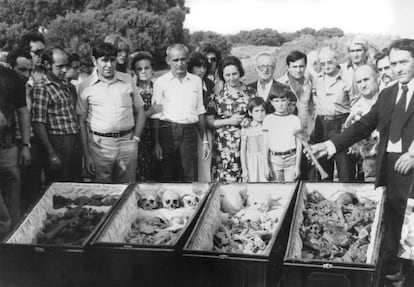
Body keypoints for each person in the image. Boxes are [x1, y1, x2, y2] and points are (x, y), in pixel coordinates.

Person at [310, 39, 414, 285]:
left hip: (412, 168)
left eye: (404, 63)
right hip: (388, 168)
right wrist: (330, 144)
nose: (398, 68)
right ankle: (393, 273)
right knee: (392, 223)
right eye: (394, 64)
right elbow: (364, 125)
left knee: (413, 227)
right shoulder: (389, 94)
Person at [77, 42, 145, 183]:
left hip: (127, 142)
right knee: (102, 192)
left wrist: (136, 139)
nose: (109, 65)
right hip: (100, 146)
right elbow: (82, 122)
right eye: (104, 60)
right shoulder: (85, 86)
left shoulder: (127, 80)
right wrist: (86, 155)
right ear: (94, 61)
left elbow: (140, 110)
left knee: (127, 189)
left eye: (112, 60)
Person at [152, 43, 209, 182]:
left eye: (183, 59)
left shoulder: (196, 81)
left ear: (188, 59)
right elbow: (156, 115)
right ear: (168, 61)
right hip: (167, 131)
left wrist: (205, 140)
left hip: (189, 132)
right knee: (167, 173)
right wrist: (156, 143)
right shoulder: (160, 82)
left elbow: (200, 110)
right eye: (175, 60)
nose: (180, 64)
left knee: (188, 173)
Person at [31, 47, 80, 183]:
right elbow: (38, 123)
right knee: (59, 185)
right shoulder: (42, 88)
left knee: (74, 182)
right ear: (47, 65)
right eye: (60, 66)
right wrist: (51, 153)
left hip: (73, 140)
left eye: (66, 66)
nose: (64, 70)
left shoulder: (65, 84)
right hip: (57, 142)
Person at [207, 55, 256, 183]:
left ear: (240, 72)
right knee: (225, 182)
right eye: (227, 75)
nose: (231, 78)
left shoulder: (251, 93)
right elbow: (209, 121)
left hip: (247, 143)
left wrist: (249, 120)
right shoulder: (217, 95)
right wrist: (229, 121)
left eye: (234, 74)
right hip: (223, 147)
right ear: (223, 75)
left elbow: (258, 114)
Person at [6, 49, 43, 212]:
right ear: (9, 67)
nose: (27, 74)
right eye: (22, 70)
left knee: (33, 192)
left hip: (31, 145)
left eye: (30, 70)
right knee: (15, 195)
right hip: (13, 145)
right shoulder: (5, 89)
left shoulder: (32, 87)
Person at [312, 47, 356, 181]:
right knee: (323, 169)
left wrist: (351, 129)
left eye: (329, 62)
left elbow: (355, 104)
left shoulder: (348, 78)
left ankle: (347, 199)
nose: (326, 66)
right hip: (321, 125)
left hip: (341, 123)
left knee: (345, 168)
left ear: (336, 60)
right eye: (322, 63)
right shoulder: (316, 79)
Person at [0, 63, 31, 232]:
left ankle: (15, 239)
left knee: (13, 194)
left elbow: (23, 112)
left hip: (7, 147)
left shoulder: (11, 76)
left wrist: (26, 145)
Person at [343, 65, 380, 182]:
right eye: (359, 82)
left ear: (377, 79)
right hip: (370, 160)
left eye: (366, 80)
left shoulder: (389, 99)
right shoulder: (356, 107)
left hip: (391, 156)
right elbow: (351, 136)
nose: (363, 85)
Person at [130, 51, 162, 181]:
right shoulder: (132, 91)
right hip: (139, 136)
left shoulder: (158, 88)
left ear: (152, 69)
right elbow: (131, 116)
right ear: (135, 72)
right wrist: (150, 112)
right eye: (139, 69)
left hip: (157, 136)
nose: (143, 71)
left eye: (147, 68)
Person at [262, 89, 302, 182]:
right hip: (274, 160)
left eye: (283, 100)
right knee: (277, 191)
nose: (280, 104)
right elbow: (265, 144)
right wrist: (266, 166)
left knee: (291, 190)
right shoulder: (268, 119)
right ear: (272, 102)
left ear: (288, 100)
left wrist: (297, 166)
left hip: (291, 159)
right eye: (276, 101)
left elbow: (299, 143)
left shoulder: (294, 119)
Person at [187, 52, 215, 182]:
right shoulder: (186, 84)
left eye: (204, 67)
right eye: (198, 66)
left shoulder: (209, 84)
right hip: (190, 129)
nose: (201, 70)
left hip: (207, 127)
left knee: (206, 163)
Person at [277, 50, 314, 135]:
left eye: (301, 66)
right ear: (288, 67)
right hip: (286, 131)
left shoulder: (309, 83)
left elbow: (312, 106)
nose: (298, 70)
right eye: (294, 67)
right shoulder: (279, 84)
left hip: (307, 131)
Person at [240, 97, 267, 182]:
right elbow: (243, 150)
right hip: (251, 163)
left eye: (262, 110)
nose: (260, 114)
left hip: (265, 161)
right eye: (256, 111)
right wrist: (244, 169)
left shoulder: (267, 126)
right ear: (250, 113)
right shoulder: (247, 128)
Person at [341, 36, 370, 101]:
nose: (355, 54)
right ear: (349, 53)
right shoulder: (342, 70)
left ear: (365, 52)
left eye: (359, 50)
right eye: (352, 51)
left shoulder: (371, 69)